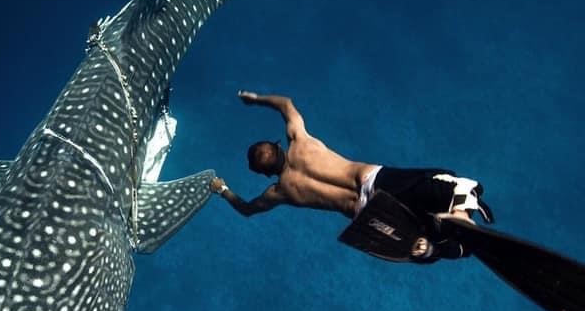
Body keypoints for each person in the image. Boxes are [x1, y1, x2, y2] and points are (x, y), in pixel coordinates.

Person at [209, 91, 493, 259]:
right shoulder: (300, 140)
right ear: (278, 144)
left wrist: (222, 189)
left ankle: (439, 248)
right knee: (436, 180)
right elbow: (285, 103)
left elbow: (247, 209)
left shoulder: (278, 193)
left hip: (366, 213)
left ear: (263, 174)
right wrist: (255, 99)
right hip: (372, 179)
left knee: (416, 243)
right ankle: (460, 204)